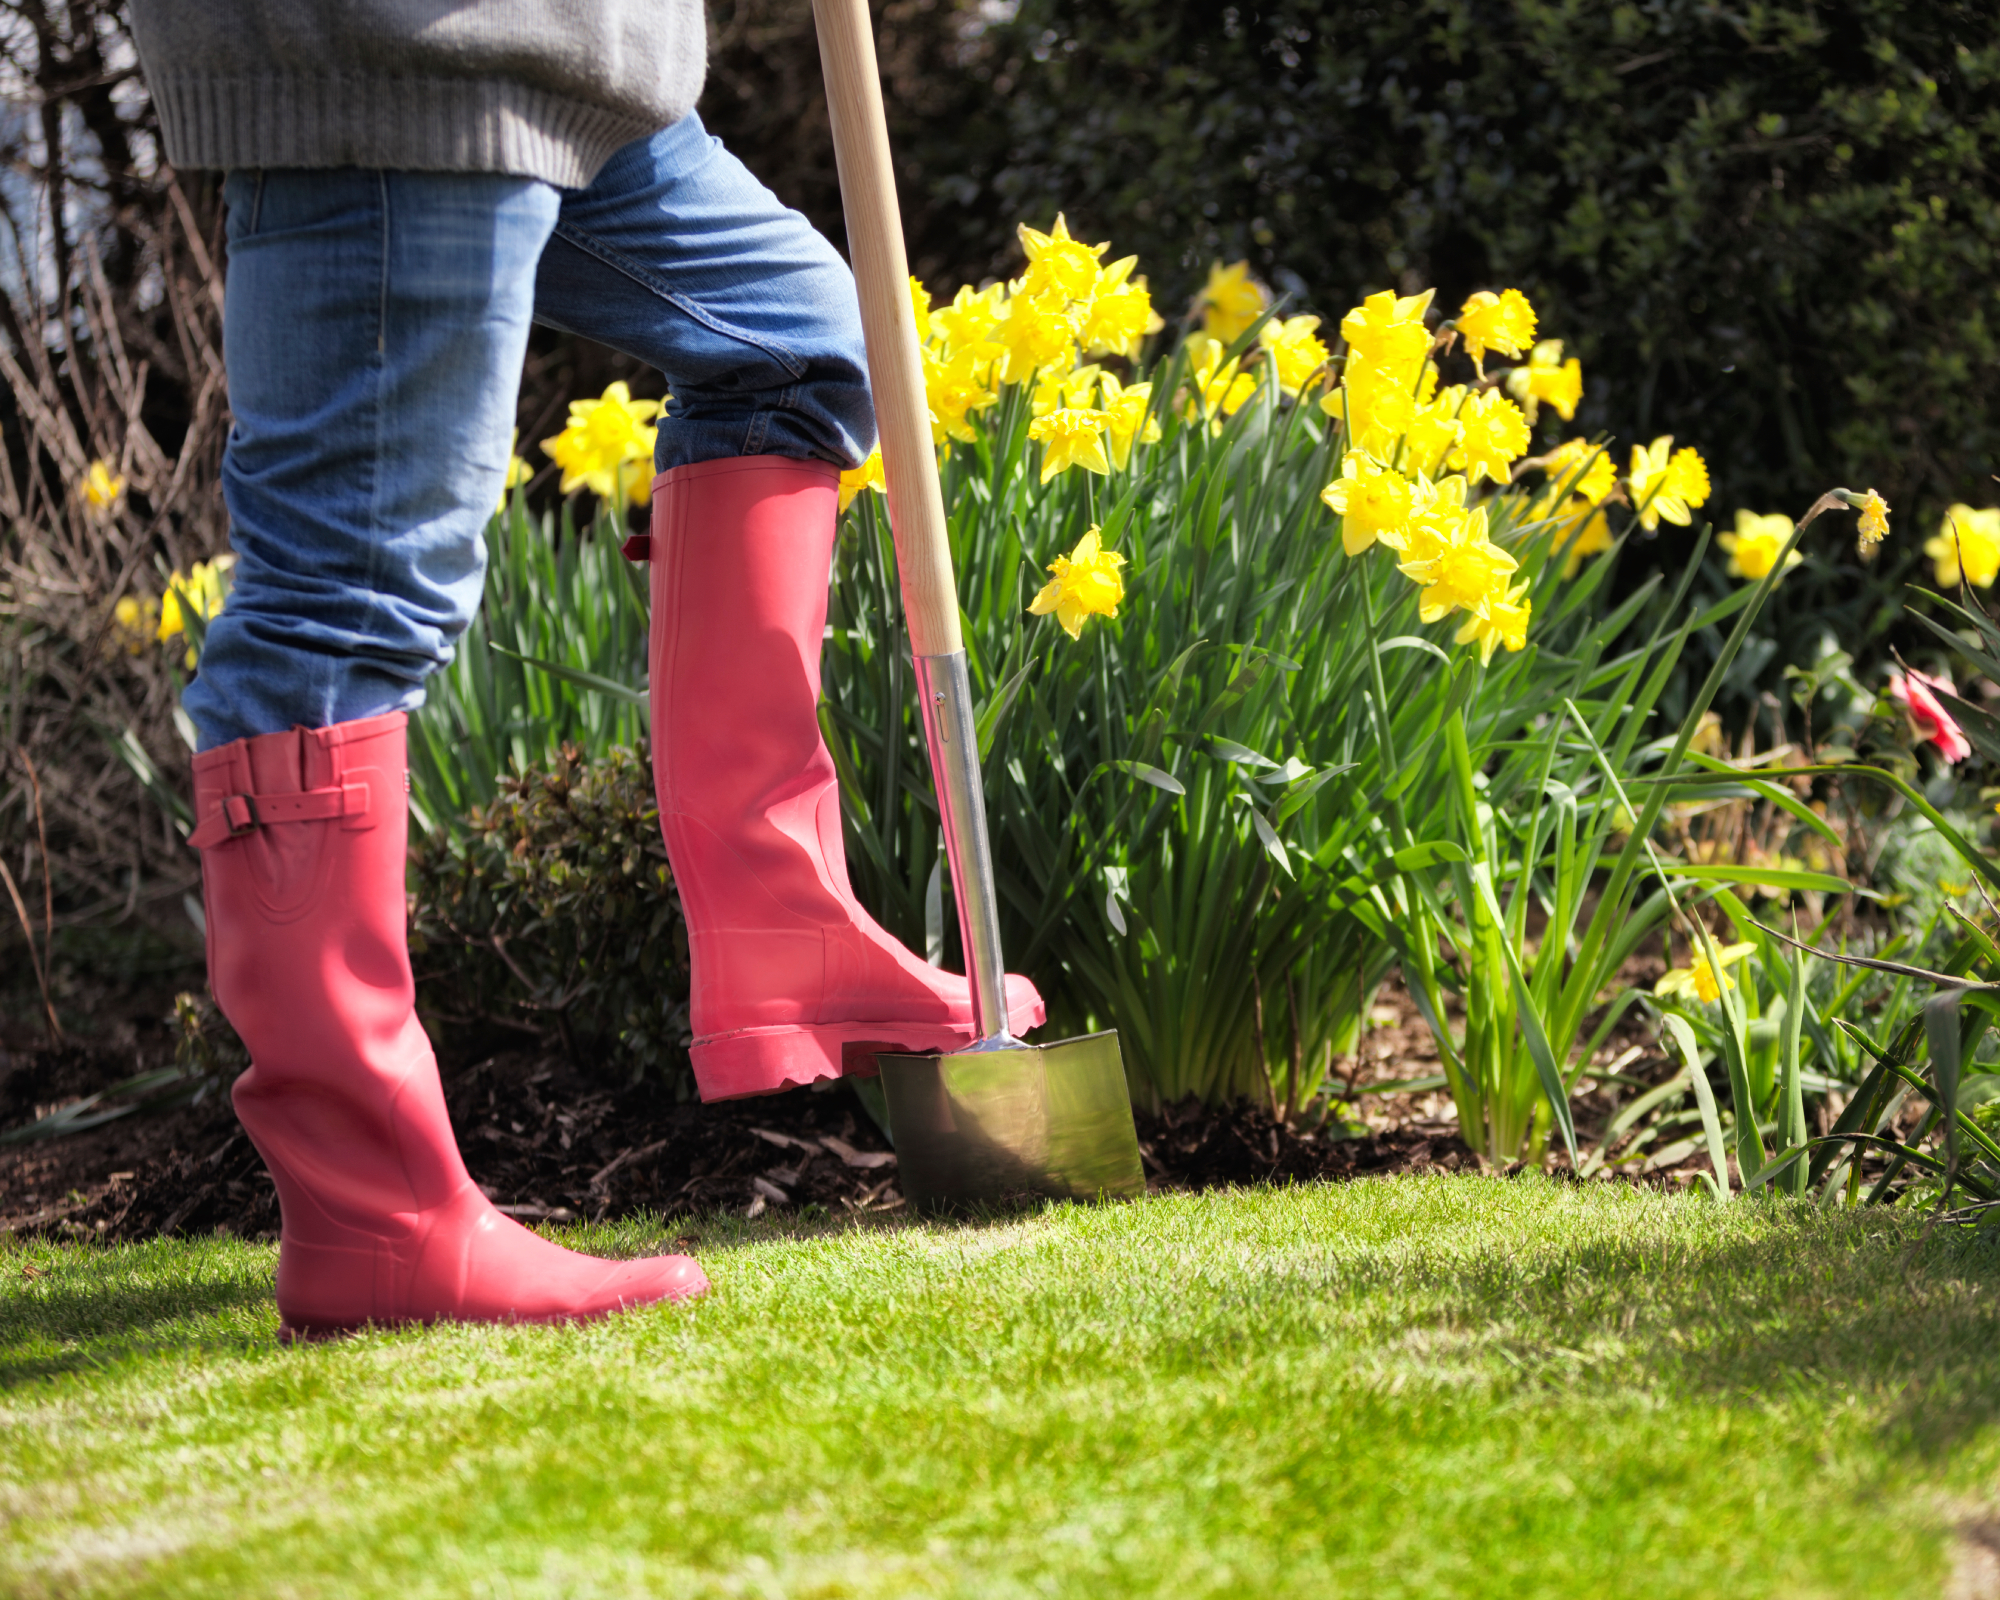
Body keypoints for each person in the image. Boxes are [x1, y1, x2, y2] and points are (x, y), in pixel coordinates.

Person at [126, 2, 1043, 1339]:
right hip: (411, 56)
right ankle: (371, 1217)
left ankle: (784, 934)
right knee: (344, 601)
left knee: (795, 350)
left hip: (574, 57)